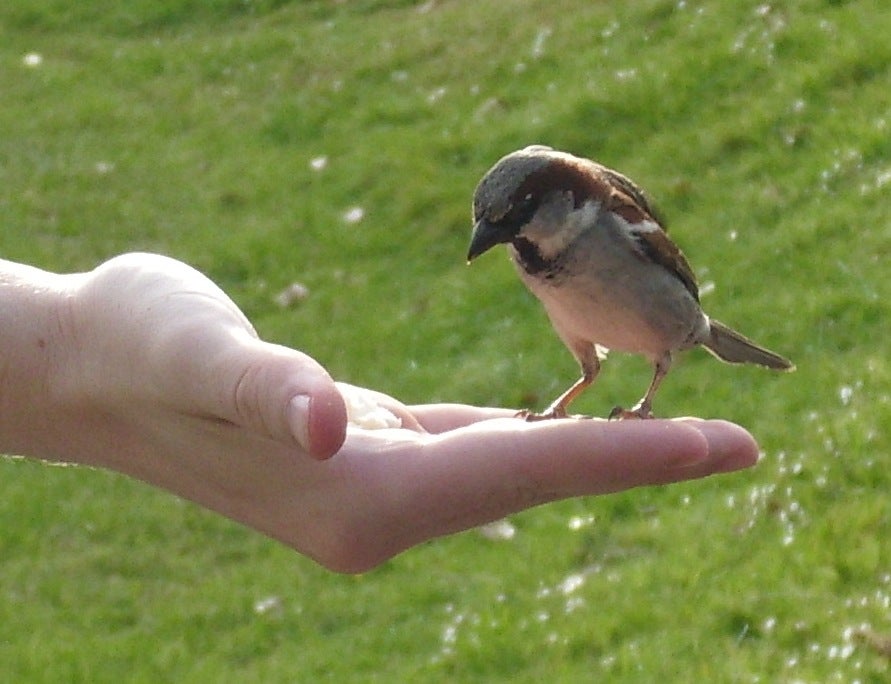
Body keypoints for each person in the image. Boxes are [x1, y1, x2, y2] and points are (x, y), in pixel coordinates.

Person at [0, 253, 758, 573]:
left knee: (662, 354)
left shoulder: (613, 227)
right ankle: (573, 402)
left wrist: (84, 344)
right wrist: (86, 349)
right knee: (585, 370)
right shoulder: (535, 254)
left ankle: (643, 401)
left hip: (672, 328)